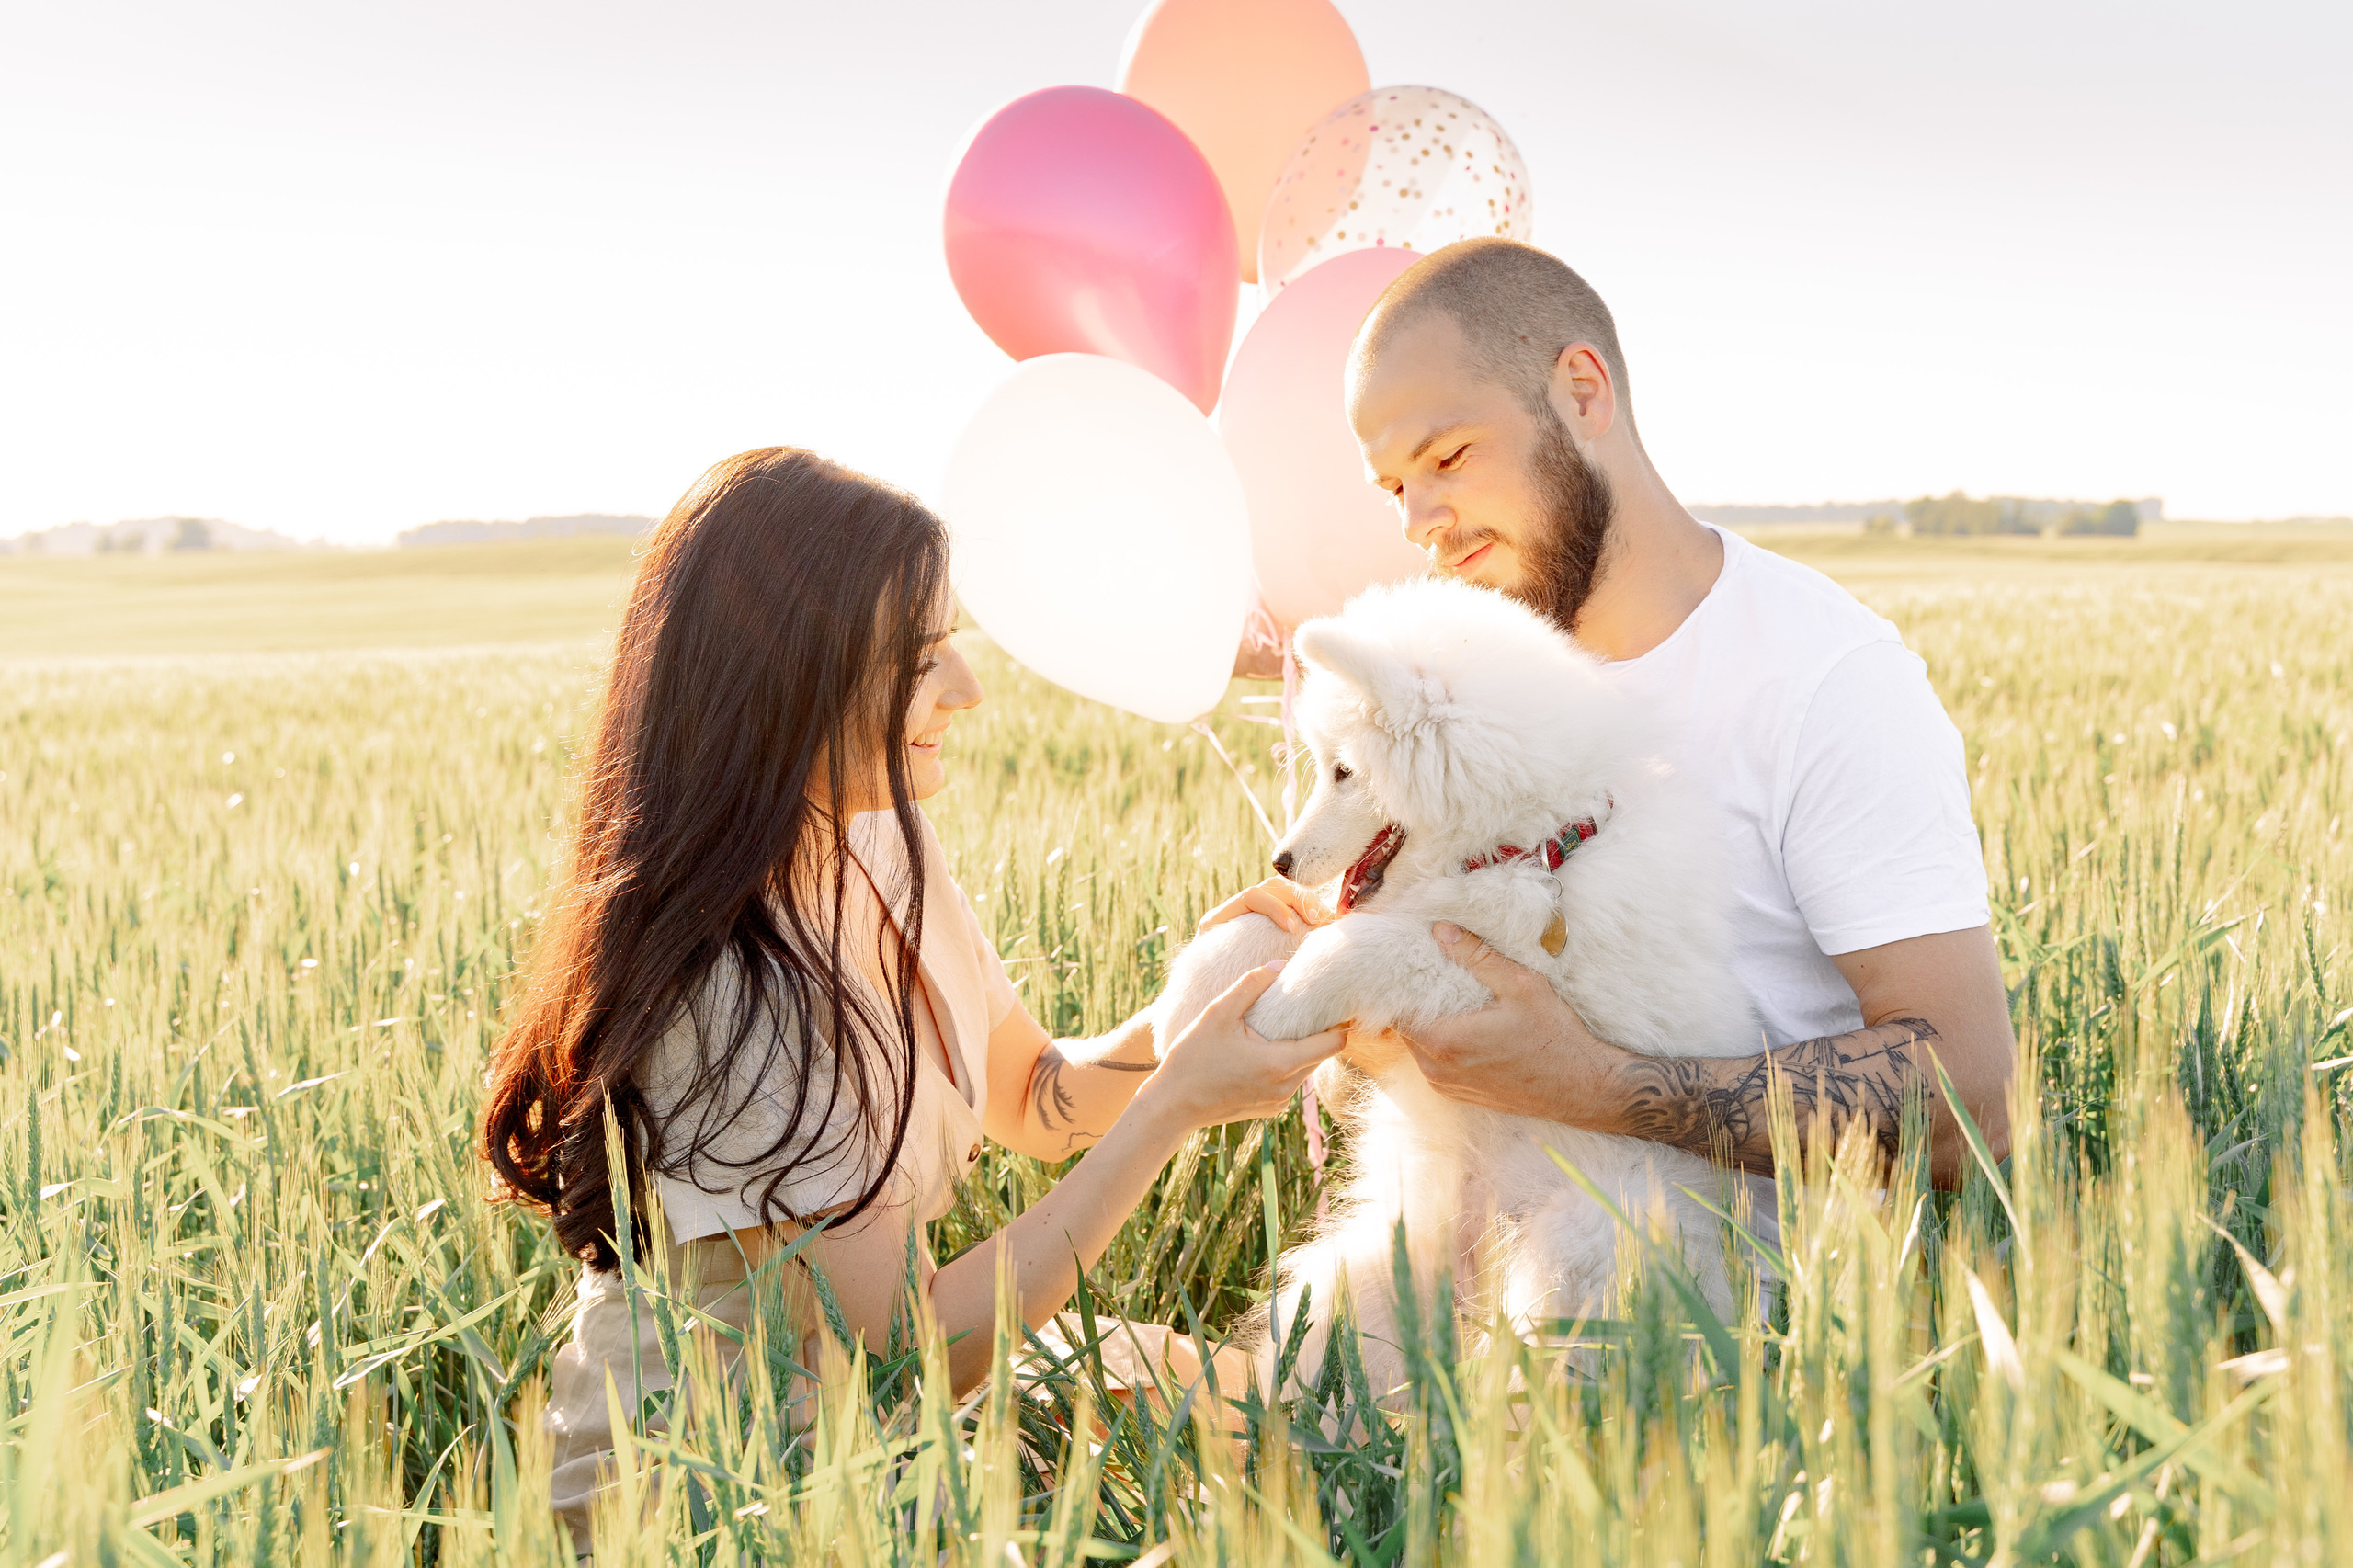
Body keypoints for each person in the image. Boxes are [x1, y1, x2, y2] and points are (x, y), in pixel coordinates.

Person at [478, 448, 1344, 1545]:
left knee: (1238, 1394)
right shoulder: (730, 979)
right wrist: (1176, 1105)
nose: (967, 688)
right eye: (920, 658)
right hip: (714, 1492)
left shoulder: (880, 837)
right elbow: (906, 1355)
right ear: (793, 677)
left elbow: (1036, 1097)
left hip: (864, 1421)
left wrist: (1191, 1010)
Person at [1289, 237, 2016, 1188]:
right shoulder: (1439, 699)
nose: (1416, 520)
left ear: (1582, 393)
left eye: (1448, 456)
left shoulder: (1825, 678)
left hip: (1715, 1267)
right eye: (1394, 487)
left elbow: (1974, 1102)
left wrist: (1596, 1085)